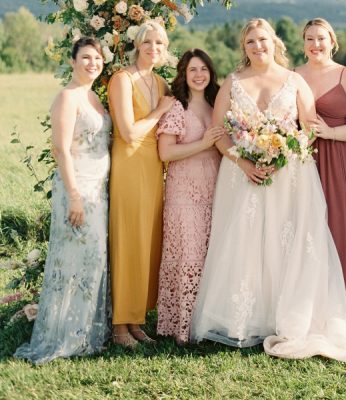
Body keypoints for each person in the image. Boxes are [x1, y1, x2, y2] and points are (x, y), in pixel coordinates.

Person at [190, 18, 346, 361]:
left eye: (263, 40)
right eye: (251, 42)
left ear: (275, 43)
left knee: (286, 243)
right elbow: (219, 132)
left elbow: (309, 128)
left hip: (288, 175)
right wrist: (244, 161)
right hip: (243, 174)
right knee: (248, 243)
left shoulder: (294, 80)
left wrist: (280, 154)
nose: (258, 47)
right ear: (244, 47)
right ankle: (249, 316)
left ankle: (288, 313)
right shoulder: (232, 83)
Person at [15, 37, 111, 364]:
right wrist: (74, 196)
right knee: (74, 262)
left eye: (97, 58)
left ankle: (87, 332)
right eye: (85, 58)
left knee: (93, 261)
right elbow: (61, 150)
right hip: (79, 190)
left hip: (100, 190)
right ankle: (66, 336)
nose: (92, 63)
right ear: (72, 62)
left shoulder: (94, 97)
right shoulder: (67, 98)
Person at [295, 18, 346, 310]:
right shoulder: (293, 75)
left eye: (321, 38)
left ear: (332, 42)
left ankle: (343, 300)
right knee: (310, 227)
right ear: (303, 44)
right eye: (310, 39)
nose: (316, 44)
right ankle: (310, 302)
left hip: (342, 159)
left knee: (340, 224)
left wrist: (332, 133)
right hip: (305, 161)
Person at [108, 19, 175, 348]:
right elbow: (128, 132)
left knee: (147, 241)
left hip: (153, 167)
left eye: (160, 44)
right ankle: (119, 324)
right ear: (137, 45)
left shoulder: (161, 82)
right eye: (148, 42)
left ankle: (136, 320)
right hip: (129, 165)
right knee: (128, 240)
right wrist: (159, 112)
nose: (153, 48)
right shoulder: (122, 79)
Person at [156, 49, 224, 344]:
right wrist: (203, 143)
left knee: (212, 255)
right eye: (192, 70)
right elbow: (166, 153)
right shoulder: (176, 108)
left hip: (216, 188)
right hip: (184, 191)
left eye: (203, 69)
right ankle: (183, 328)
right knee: (189, 255)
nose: (199, 75)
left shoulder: (216, 104)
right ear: (183, 74)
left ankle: (209, 322)